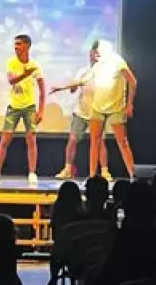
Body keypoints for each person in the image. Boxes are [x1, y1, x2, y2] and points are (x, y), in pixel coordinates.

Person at [49, 41, 111, 180]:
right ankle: (67, 169)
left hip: (97, 113)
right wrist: (70, 87)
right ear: (91, 53)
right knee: (72, 140)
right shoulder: (83, 71)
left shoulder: (105, 72)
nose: (96, 55)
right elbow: (74, 87)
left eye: (99, 53)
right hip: (81, 112)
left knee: (100, 142)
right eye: (94, 52)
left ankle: (104, 171)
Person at [0, 34, 46, 186]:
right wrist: (25, 74)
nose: (16, 47)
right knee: (5, 139)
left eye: (19, 44)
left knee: (31, 140)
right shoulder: (11, 62)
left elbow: (42, 90)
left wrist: (41, 111)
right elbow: (11, 80)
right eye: (15, 44)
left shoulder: (35, 65)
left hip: (29, 107)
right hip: (13, 106)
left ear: (27, 46)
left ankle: (32, 173)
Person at [87, 39, 136, 178]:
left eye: (97, 51)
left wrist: (129, 104)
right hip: (98, 106)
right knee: (95, 141)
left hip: (116, 107)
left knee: (122, 141)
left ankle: (133, 175)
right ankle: (92, 176)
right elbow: (84, 80)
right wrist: (62, 87)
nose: (95, 54)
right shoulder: (98, 64)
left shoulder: (117, 61)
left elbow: (132, 81)